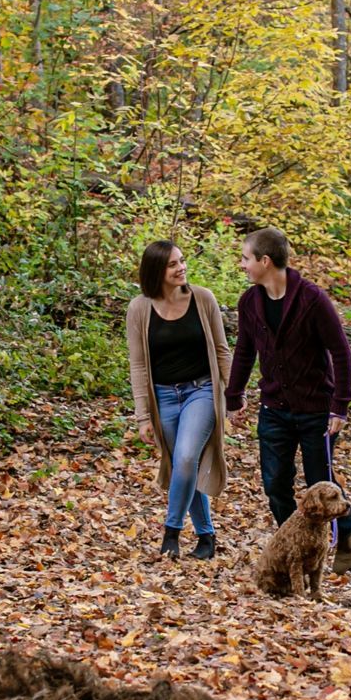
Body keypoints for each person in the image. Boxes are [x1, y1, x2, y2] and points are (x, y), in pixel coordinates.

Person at [224, 226, 351, 573]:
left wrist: (339, 405)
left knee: (320, 481)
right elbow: (244, 350)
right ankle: (297, 545)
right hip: (274, 408)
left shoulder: (312, 300)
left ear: (265, 261)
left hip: (316, 408)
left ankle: (347, 528)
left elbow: (341, 352)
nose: (242, 265)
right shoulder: (249, 302)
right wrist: (234, 395)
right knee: (275, 484)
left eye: (245, 258)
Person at [125, 240, 231, 559]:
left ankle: (171, 531)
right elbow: (138, 364)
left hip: (201, 390)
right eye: (173, 264)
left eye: (182, 261)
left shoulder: (203, 299)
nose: (181, 267)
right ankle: (206, 537)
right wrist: (143, 416)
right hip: (163, 398)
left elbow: (223, 350)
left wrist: (235, 395)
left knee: (185, 457)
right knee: (185, 466)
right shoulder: (139, 309)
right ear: (157, 270)